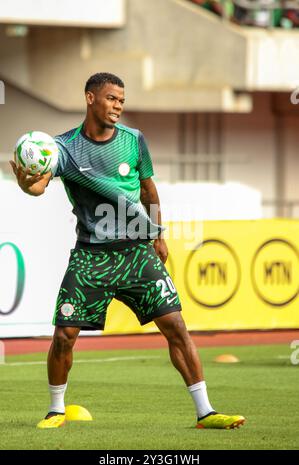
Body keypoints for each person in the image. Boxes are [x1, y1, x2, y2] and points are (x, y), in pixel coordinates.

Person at [11, 72, 245, 430]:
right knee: (63, 336)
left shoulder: (135, 141)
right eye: (111, 98)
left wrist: (158, 236)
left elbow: (149, 191)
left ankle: (205, 412)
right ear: (90, 98)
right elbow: (39, 186)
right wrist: (27, 184)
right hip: (92, 256)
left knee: (177, 327)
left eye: (122, 99)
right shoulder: (63, 147)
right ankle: (56, 410)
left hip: (137, 253)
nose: (118, 105)